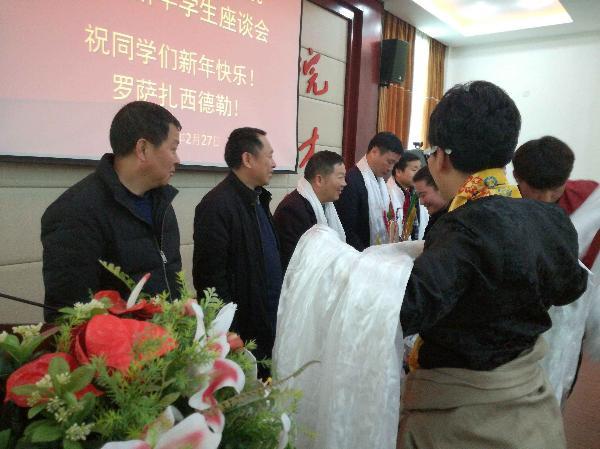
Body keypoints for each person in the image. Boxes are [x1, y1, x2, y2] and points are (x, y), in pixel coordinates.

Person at [398, 81, 588, 449]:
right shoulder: (551, 220)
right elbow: (571, 287)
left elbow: (409, 310)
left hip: (461, 422)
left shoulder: (460, 228)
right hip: (533, 412)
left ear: (442, 157)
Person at [42, 101, 182, 322]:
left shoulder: (162, 204)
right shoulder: (75, 212)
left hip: (167, 338)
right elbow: (69, 318)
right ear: (143, 149)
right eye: (173, 149)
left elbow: (170, 278)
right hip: (122, 344)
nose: (177, 159)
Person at [513, 135, 600, 406]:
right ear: (517, 178)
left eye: (555, 190)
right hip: (520, 317)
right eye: (536, 189)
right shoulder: (504, 205)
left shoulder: (592, 201)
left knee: (557, 385)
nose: (547, 198)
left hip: (569, 314)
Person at [193, 127, 282, 372]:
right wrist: (230, 335)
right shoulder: (216, 206)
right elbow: (211, 280)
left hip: (267, 324)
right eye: (269, 156)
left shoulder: (258, 199)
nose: (274, 163)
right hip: (242, 336)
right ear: (248, 159)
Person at [273, 151, 346, 271]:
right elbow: (294, 264)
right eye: (340, 177)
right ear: (319, 180)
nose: (344, 183)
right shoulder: (292, 210)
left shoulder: (328, 205)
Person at [335, 132, 403, 250]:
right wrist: (367, 256)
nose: (391, 168)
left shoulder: (380, 183)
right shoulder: (351, 181)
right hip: (358, 255)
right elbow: (347, 230)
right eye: (389, 161)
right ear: (374, 152)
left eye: (394, 164)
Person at [387, 152, 427, 241]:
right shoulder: (388, 194)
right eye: (414, 170)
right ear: (398, 172)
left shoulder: (416, 192)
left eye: (420, 169)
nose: (419, 174)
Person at [412, 166, 448, 239]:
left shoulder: (456, 224)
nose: (421, 202)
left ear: (440, 188)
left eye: (423, 195)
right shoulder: (437, 220)